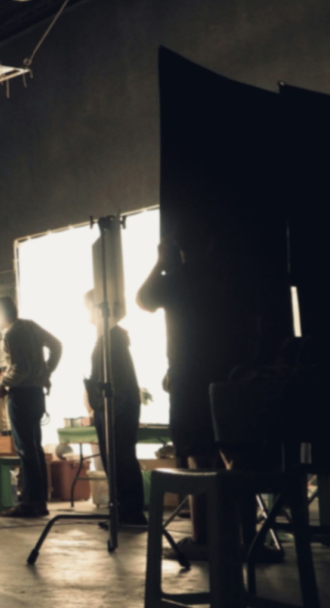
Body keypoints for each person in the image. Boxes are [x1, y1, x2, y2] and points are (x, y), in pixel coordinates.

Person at [137, 226, 258, 558]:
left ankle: (203, 541)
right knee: (238, 458)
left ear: (177, 246)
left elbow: (143, 300)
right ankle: (250, 541)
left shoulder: (176, 279)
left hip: (190, 380)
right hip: (231, 377)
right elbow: (252, 326)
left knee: (198, 460)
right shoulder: (230, 278)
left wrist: (161, 262)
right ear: (211, 242)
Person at [0, 295, 62, 518]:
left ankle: (30, 503)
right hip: (36, 393)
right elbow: (57, 345)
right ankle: (39, 501)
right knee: (35, 447)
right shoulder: (31, 326)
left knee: (25, 449)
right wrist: (46, 371)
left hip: (21, 394)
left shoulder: (11, 333)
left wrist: (2, 384)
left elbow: (20, 369)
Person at [83, 291, 147, 526]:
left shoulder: (111, 339)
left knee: (120, 460)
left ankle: (129, 512)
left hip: (116, 407)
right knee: (118, 459)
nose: (88, 314)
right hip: (113, 406)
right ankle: (125, 510)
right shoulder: (111, 338)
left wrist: (106, 406)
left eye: (88, 308)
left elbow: (116, 379)